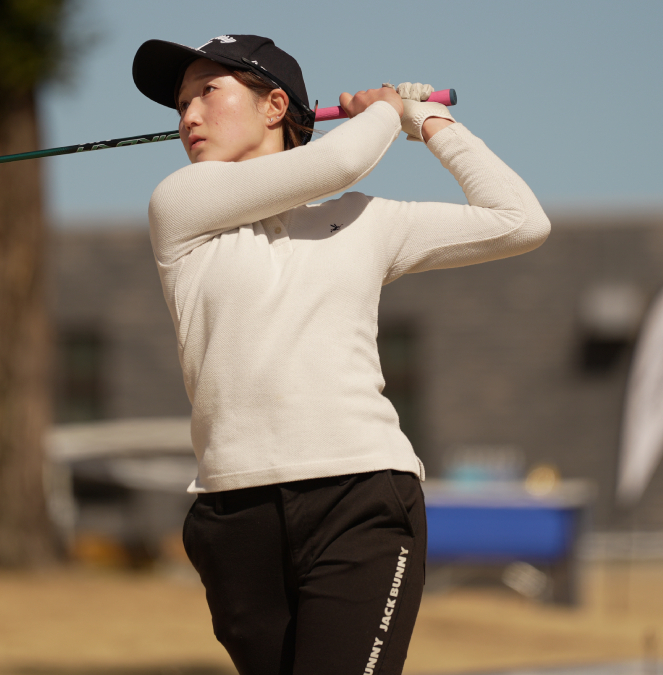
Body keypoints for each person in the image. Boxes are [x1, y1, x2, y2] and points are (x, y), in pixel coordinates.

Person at [131, 35, 550, 675]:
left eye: (207, 93)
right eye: (182, 104)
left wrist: (430, 123)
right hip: (235, 515)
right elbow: (342, 160)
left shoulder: (365, 220)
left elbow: (520, 220)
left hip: (361, 497)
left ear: (275, 106)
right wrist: (385, 110)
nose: (188, 116)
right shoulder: (181, 204)